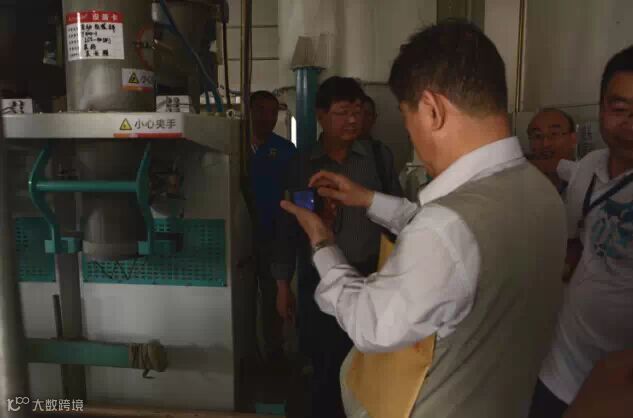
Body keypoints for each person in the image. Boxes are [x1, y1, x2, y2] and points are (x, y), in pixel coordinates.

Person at [280, 21, 567, 418]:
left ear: (432, 110)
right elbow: (458, 241)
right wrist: (367, 198)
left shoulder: (446, 227)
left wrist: (322, 242)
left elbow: (370, 323)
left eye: (407, 116)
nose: (410, 133)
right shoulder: (539, 190)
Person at [272, 76, 402, 418]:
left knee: (369, 364)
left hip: (371, 276)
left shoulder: (377, 157)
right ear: (321, 116)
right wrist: (283, 286)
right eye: (342, 112)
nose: (352, 120)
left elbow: (398, 217)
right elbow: (287, 230)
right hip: (318, 282)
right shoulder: (301, 164)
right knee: (323, 366)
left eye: (357, 111)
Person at [529, 45, 633, 418]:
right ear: (602, 108)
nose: (630, 123)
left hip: (615, 388)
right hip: (559, 365)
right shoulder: (588, 167)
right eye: (620, 109)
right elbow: (575, 245)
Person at [248, 90, 296, 361]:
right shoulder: (233, 146)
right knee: (240, 298)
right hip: (238, 236)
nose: (267, 117)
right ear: (248, 112)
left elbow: (297, 192)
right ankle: (245, 354)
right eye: (260, 110)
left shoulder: (285, 151)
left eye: (272, 112)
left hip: (274, 236)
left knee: (274, 296)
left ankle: (274, 354)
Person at [527, 108, 578, 193]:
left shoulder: (588, 177)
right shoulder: (522, 184)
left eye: (554, 134)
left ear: (573, 139)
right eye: (537, 136)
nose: (545, 144)